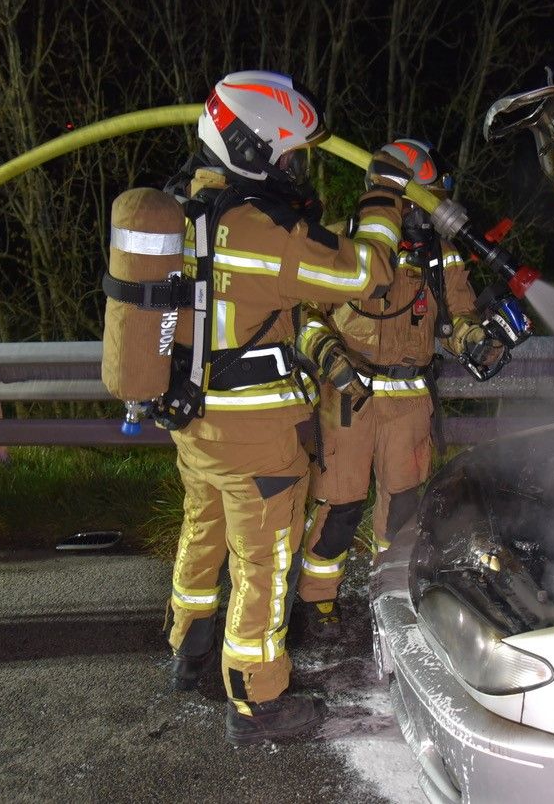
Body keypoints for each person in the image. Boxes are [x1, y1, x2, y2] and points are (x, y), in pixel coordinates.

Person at [159, 72, 411, 743]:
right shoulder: (260, 230)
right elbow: (366, 274)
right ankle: (259, 699)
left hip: (195, 422)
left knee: (202, 534)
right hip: (256, 436)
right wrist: (384, 197)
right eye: (289, 154)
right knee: (263, 564)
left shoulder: (183, 212)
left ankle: (188, 649)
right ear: (253, 147)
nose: (295, 168)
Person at [292, 139, 504, 640]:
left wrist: (474, 338)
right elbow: (303, 313)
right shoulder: (343, 240)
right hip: (348, 397)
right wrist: (327, 354)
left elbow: (458, 316)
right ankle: (316, 600)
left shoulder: (439, 256)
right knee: (340, 505)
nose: (424, 212)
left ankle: (387, 598)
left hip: (408, 401)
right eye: (420, 199)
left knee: (404, 510)